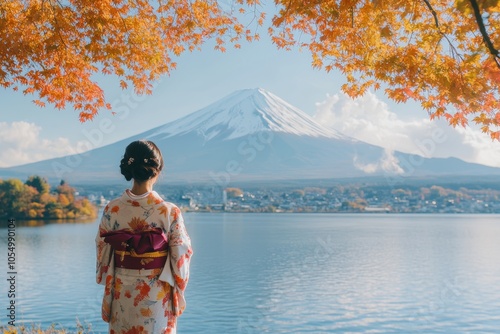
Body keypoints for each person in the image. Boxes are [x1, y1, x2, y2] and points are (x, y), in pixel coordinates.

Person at [95, 140, 192, 334]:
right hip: (156, 294)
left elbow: (102, 249)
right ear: (157, 170)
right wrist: (179, 286)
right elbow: (181, 255)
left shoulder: (112, 208)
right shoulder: (169, 212)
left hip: (122, 291)